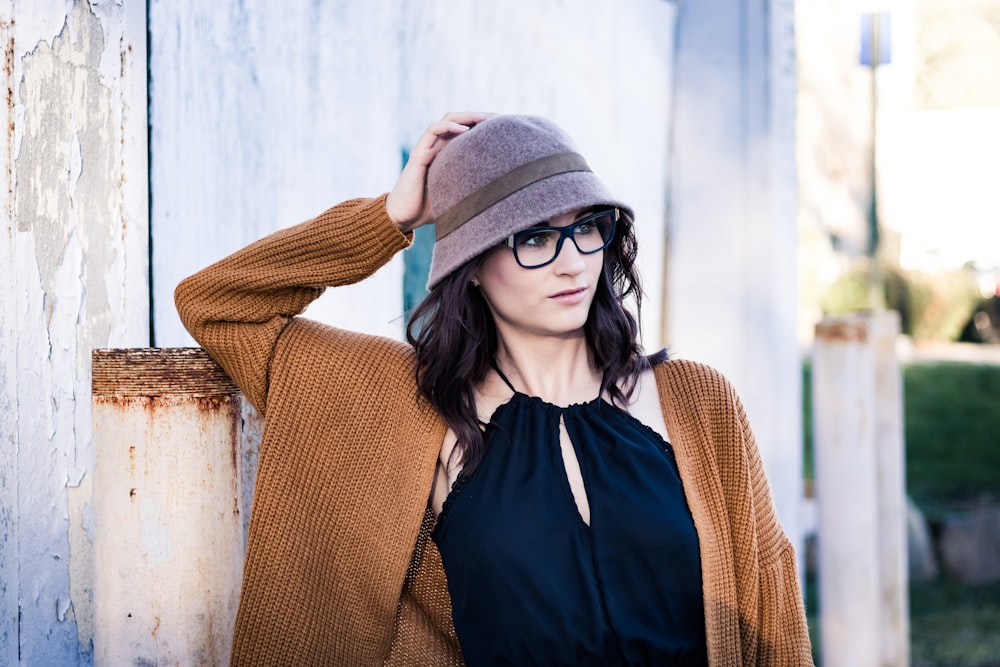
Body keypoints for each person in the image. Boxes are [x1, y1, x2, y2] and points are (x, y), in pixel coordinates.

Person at [175, 112, 813, 666]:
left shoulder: (696, 401)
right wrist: (394, 217)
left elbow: (772, 609)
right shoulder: (408, 406)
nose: (571, 260)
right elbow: (217, 304)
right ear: (472, 265)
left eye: (586, 227)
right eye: (533, 237)